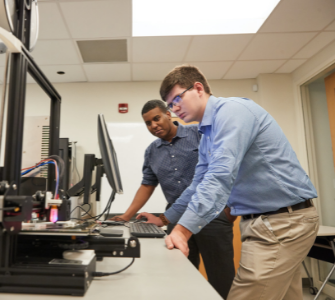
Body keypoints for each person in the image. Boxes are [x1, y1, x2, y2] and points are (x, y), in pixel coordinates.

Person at [140, 65, 319, 300]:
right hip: (266, 223)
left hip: (282, 223)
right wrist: (168, 220)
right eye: (170, 105)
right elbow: (197, 186)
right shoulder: (207, 134)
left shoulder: (232, 112)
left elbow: (220, 176)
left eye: (176, 100)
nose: (174, 110)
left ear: (198, 88)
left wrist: (182, 231)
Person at [111, 99, 235, 299]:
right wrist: (127, 215)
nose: (153, 125)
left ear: (169, 114)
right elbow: (147, 185)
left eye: (156, 118)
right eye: (148, 123)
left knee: (221, 277)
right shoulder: (152, 151)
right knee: (180, 276)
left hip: (210, 214)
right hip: (175, 218)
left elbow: (225, 167)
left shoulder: (198, 133)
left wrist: (230, 209)